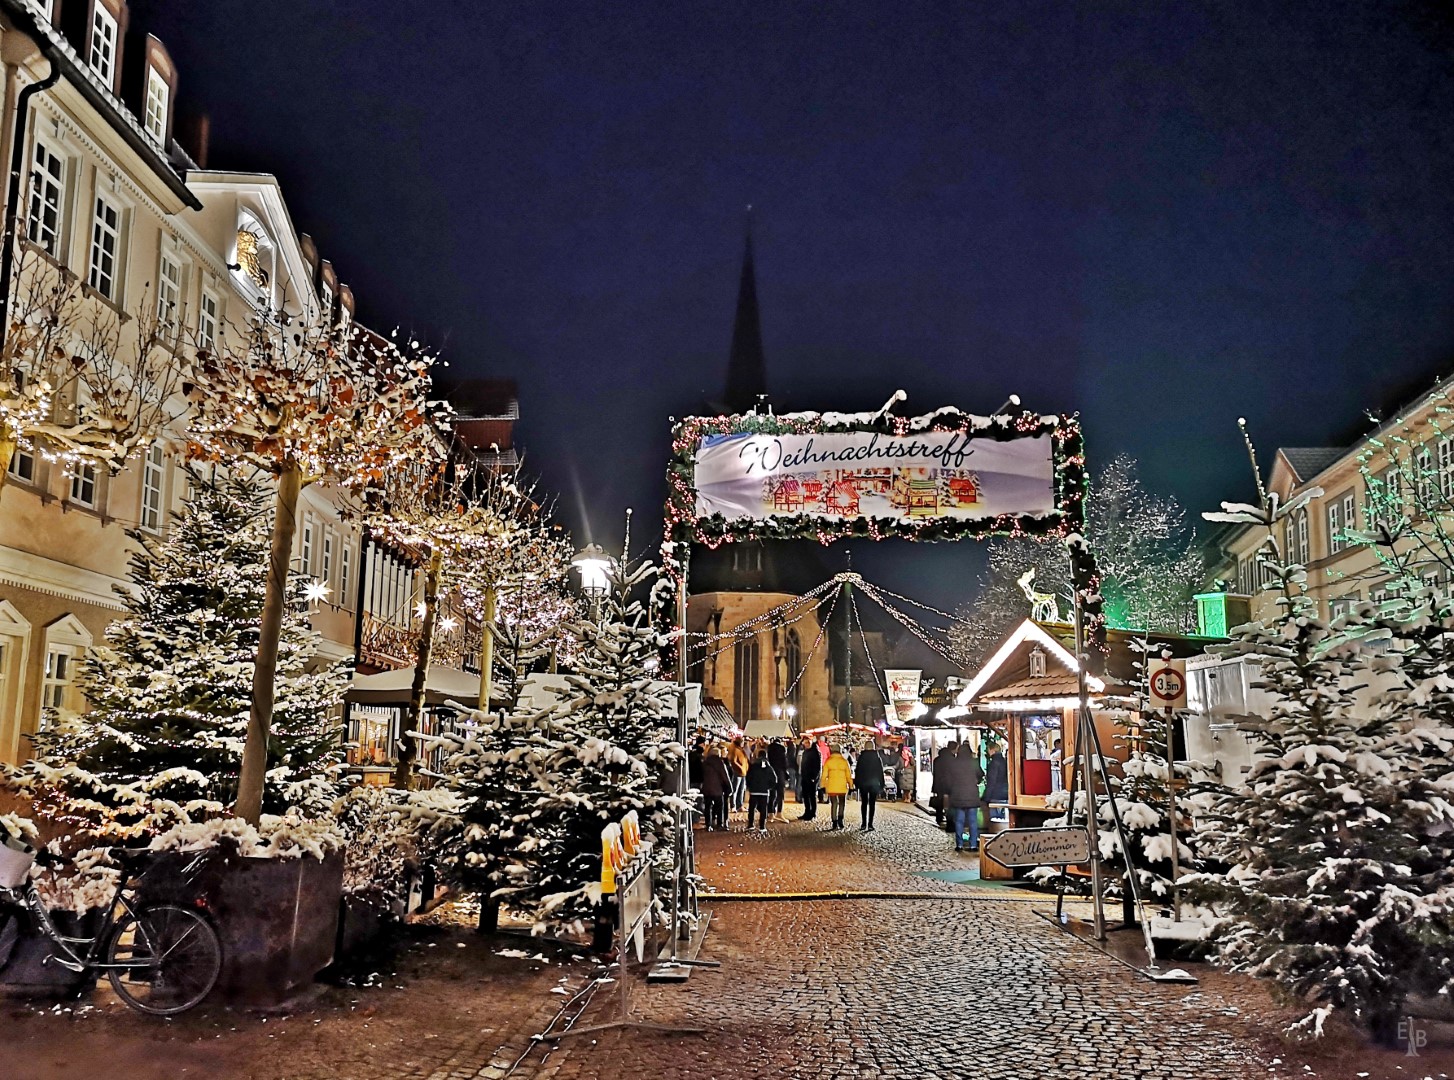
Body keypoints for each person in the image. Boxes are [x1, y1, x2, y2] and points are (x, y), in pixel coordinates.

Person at [944, 741, 985, 853]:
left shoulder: (953, 763)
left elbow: (948, 781)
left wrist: (952, 789)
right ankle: (972, 845)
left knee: (959, 821)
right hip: (972, 795)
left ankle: (960, 844)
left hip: (957, 795)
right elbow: (981, 775)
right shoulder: (974, 762)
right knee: (973, 821)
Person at [701, 745, 733, 830]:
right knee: (720, 806)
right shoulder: (720, 763)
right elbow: (724, 776)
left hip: (706, 788)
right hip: (717, 789)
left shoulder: (705, 762)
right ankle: (719, 824)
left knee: (708, 807)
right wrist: (729, 787)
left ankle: (708, 824)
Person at [854, 742, 885, 831]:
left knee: (864, 803)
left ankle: (863, 823)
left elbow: (858, 771)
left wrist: (857, 783)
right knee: (872, 804)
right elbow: (880, 771)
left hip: (863, 783)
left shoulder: (861, 757)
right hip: (874, 783)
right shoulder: (877, 757)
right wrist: (882, 783)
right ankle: (870, 824)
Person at [745, 751, 778, 832]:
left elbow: (748, 777)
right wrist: (769, 787)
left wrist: (750, 786)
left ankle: (750, 825)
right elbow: (774, 779)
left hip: (754, 791)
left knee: (752, 808)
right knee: (764, 809)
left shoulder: (753, 766)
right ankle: (762, 826)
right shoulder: (769, 767)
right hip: (764, 791)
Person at [822, 746, 852, 830]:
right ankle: (840, 820)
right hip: (842, 786)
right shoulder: (844, 761)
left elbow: (824, 775)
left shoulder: (828, 761)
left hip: (832, 786)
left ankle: (834, 822)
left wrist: (822, 785)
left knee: (834, 804)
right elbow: (848, 775)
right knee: (842, 803)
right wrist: (851, 785)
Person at [931, 742, 956, 830]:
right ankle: (949, 821)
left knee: (939, 801)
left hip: (938, 783)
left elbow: (934, 772)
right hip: (949, 784)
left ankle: (939, 817)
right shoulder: (952, 759)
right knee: (949, 804)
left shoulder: (937, 759)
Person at [797, 736, 822, 820]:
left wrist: (814, 777)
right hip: (805, 777)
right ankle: (807, 811)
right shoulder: (806, 751)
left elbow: (818, 766)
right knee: (806, 795)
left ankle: (812, 813)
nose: (805, 745)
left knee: (812, 796)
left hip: (812, 778)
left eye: (806, 743)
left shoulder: (815, 752)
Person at [766, 738, 790, 820]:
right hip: (780, 774)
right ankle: (779, 812)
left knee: (772, 794)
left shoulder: (769, 748)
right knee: (780, 794)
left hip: (771, 773)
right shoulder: (782, 749)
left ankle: (770, 813)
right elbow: (785, 763)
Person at [985, 742, 1009, 819]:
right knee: (1004, 819)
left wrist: (987, 797)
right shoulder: (1005, 762)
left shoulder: (993, 763)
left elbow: (992, 781)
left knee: (994, 820)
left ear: (992, 750)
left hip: (996, 795)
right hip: (1006, 794)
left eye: (988, 749)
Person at [726, 737, 749, 814]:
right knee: (735, 790)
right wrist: (741, 768)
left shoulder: (741, 750)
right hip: (738, 773)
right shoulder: (735, 750)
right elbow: (733, 761)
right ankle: (733, 806)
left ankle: (740, 805)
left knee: (741, 790)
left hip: (743, 773)